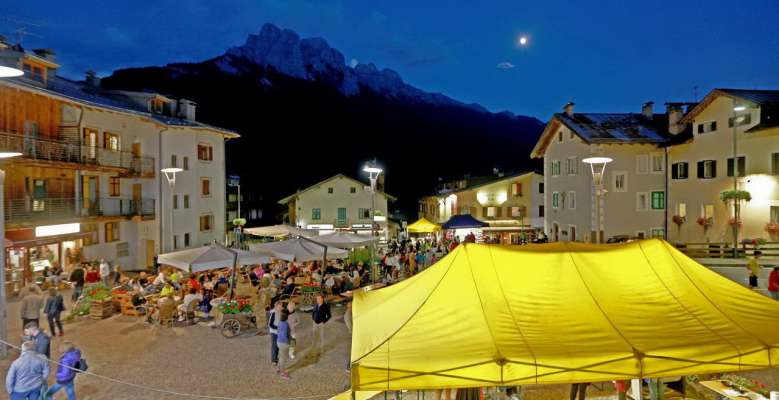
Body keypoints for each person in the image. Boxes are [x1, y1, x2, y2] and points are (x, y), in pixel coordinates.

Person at [276, 310, 291, 379]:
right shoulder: (286, 324)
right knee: (283, 359)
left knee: (280, 356)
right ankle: (282, 373)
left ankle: (278, 368)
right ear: (287, 316)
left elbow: (278, 331)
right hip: (284, 343)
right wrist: (288, 342)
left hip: (279, 342)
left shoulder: (280, 323)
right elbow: (285, 335)